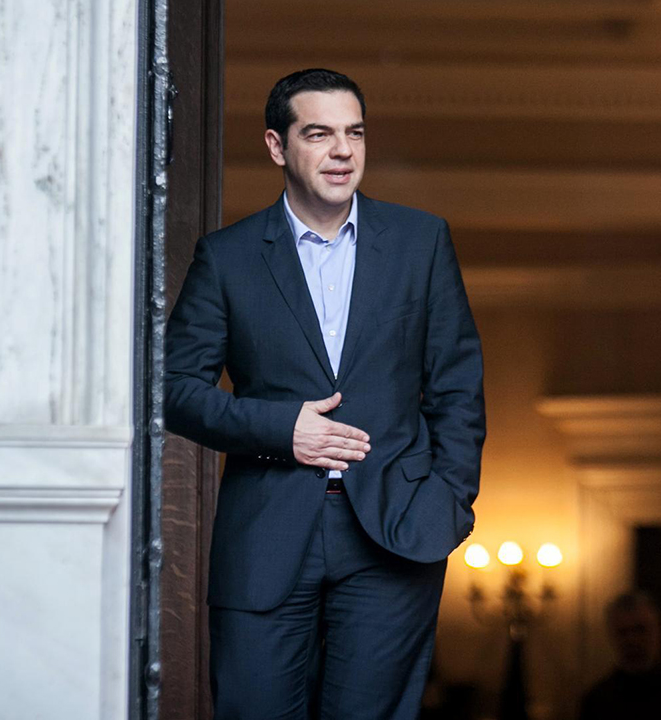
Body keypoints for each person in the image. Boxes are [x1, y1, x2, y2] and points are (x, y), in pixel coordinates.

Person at [164, 67, 485, 719]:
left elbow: (457, 385)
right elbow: (172, 388)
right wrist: (282, 429)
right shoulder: (227, 258)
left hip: (396, 530)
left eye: (354, 133)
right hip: (266, 532)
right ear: (277, 146)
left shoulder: (421, 242)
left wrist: (446, 501)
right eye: (319, 134)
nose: (342, 151)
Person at [579, 591, 661, 720]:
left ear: (658, 630)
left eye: (640, 629)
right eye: (623, 632)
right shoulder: (596, 701)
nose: (632, 640)